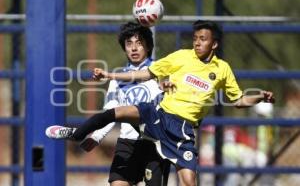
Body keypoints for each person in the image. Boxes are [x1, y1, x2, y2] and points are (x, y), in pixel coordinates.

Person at [46, 20, 275, 186]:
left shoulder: (222, 69)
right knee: (117, 112)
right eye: (195, 38)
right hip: (158, 114)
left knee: (188, 181)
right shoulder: (180, 57)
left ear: (214, 44)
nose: (197, 43)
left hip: (181, 131)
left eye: (202, 39)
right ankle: (77, 134)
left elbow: (239, 100)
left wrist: (260, 97)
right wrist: (110, 75)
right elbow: (147, 74)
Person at [82, 22, 171, 186]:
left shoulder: (160, 72)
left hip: (155, 143)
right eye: (129, 44)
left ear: (148, 46)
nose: (134, 48)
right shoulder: (117, 78)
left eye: (139, 43)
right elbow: (110, 112)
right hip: (127, 143)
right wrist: (96, 137)